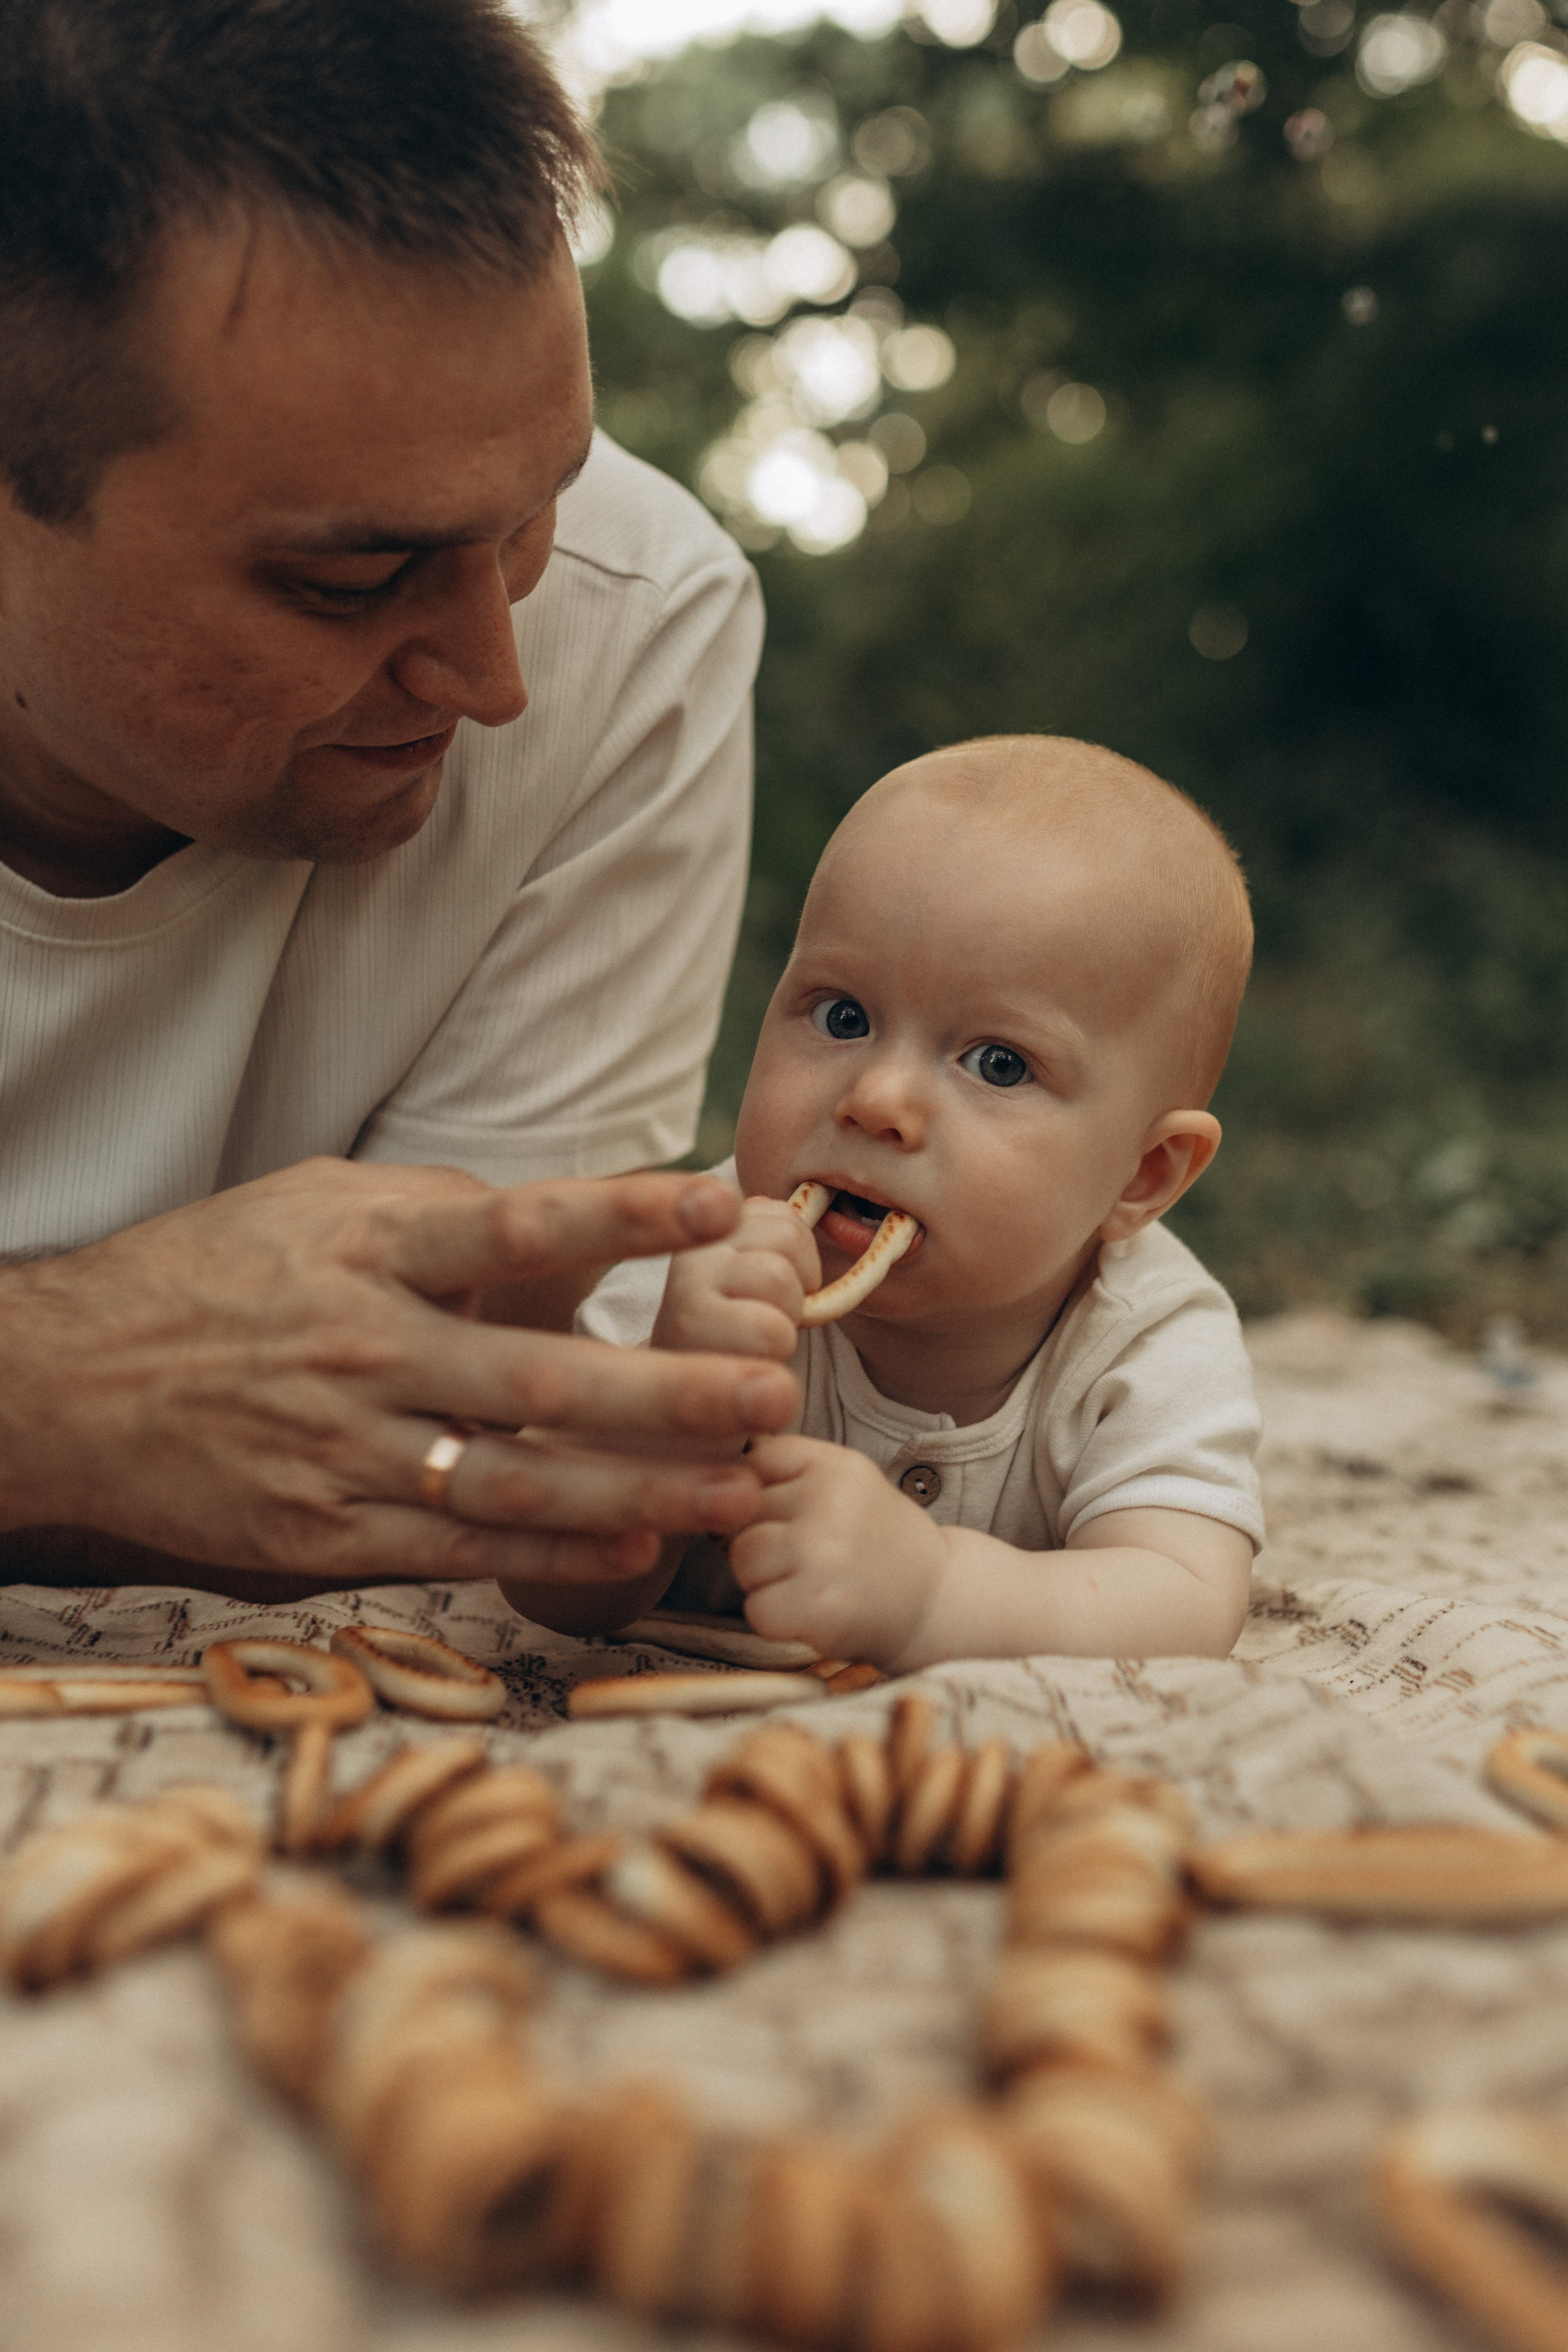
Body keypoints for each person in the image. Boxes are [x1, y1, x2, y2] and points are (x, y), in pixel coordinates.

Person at [0, 0, 799, 1599]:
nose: (496, 678)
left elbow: (446, 1448)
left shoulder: (638, 627)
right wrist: (57, 1393)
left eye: (533, 517)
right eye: (354, 575)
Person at [544, 736, 1265, 1669]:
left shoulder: (1147, 1339)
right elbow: (553, 1590)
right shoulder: (699, 1264)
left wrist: (936, 1594)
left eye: (998, 1065)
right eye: (843, 1017)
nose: (877, 1100)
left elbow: (1187, 1602)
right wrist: (670, 1416)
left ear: (1144, 1176)